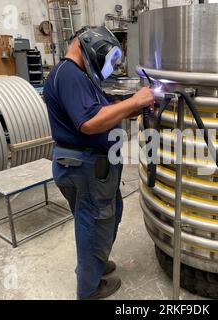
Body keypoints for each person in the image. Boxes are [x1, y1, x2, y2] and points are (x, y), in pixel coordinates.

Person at [43, 26, 154, 300]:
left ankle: (96, 264)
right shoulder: (69, 73)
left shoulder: (80, 76)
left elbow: (102, 111)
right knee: (95, 221)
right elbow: (89, 123)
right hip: (84, 165)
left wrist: (130, 106)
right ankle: (89, 288)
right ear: (88, 44)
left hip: (92, 164)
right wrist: (135, 101)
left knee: (106, 214)